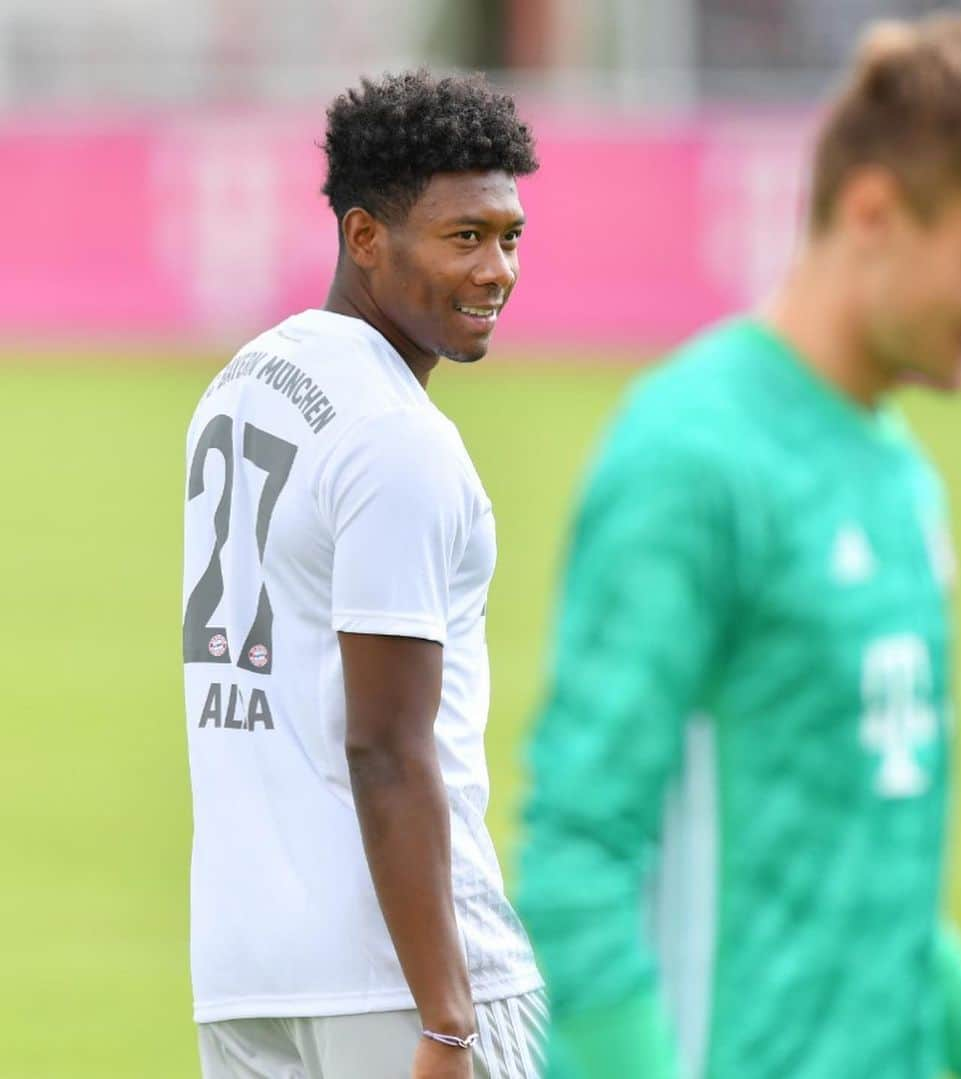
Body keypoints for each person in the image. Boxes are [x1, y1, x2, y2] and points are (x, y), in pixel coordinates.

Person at [516, 15, 961, 1079]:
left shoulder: (896, 466)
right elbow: (576, 866)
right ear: (873, 211)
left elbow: (873, 878)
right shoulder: (693, 455)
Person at [182, 70, 544, 1079]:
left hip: (247, 969)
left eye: (508, 235)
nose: (497, 271)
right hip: (395, 974)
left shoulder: (241, 384)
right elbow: (385, 744)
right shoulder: (396, 439)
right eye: (462, 237)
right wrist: (450, 1014)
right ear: (364, 237)